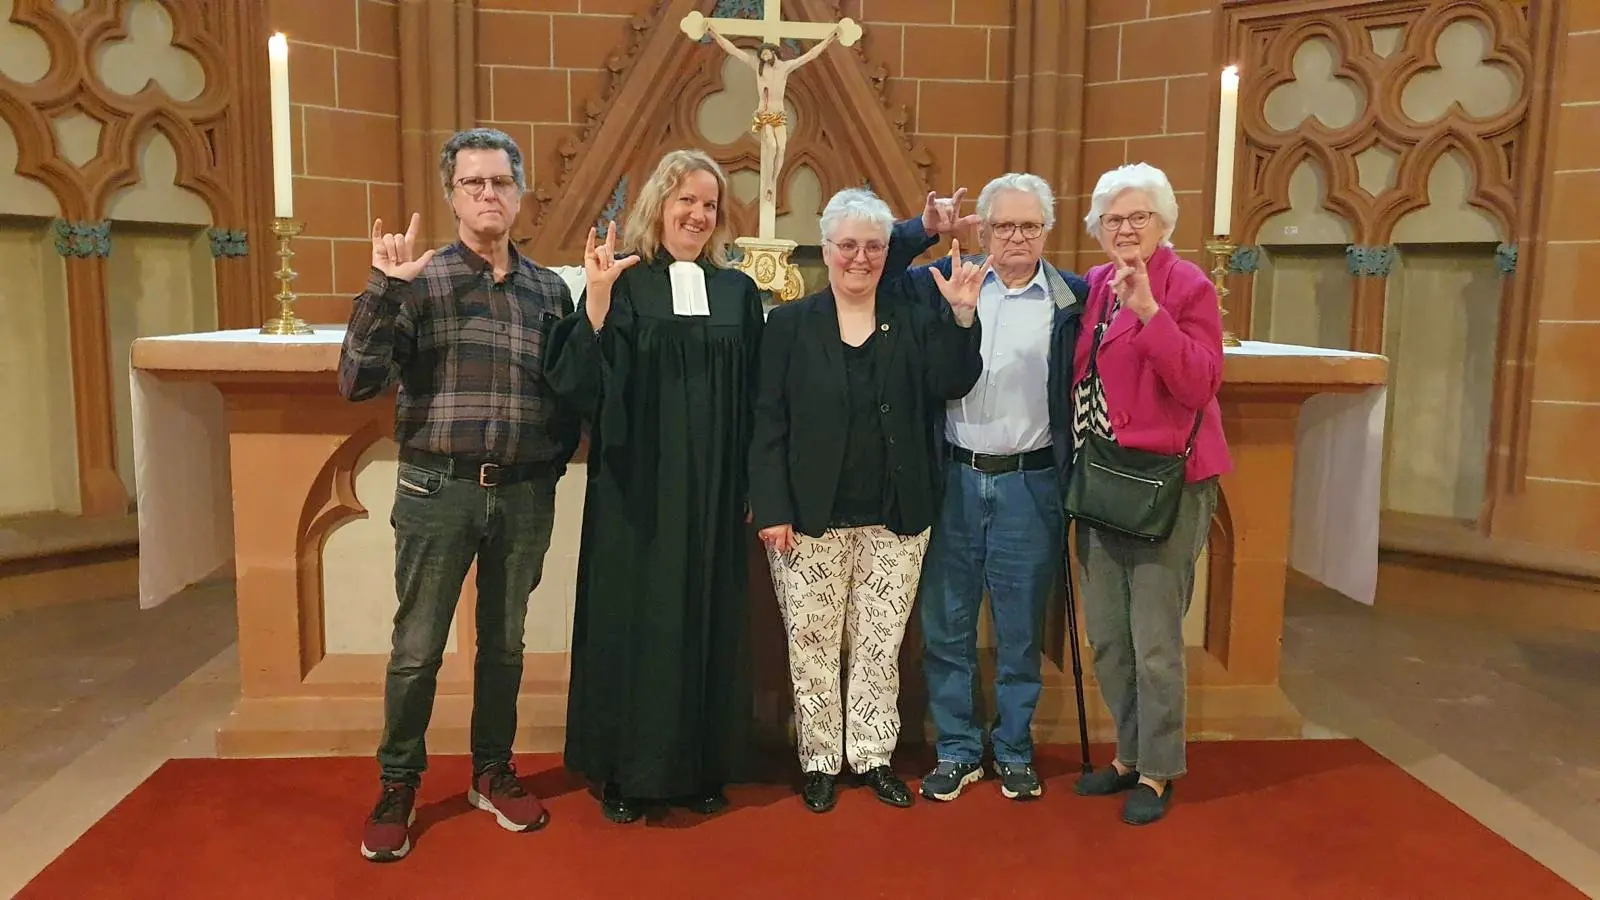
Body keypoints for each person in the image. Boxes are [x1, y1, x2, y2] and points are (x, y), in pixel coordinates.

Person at [338, 128, 578, 861]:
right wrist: (384, 289)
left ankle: (491, 769)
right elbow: (357, 381)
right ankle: (399, 781)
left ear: (519, 193)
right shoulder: (421, 280)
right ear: (451, 196)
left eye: (501, 182)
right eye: (473, 183)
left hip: (522, 493)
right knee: (417, 648)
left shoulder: (547, 289)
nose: (488, 195)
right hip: (438, 487)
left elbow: (568, 394)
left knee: (505, 645)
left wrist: (547, 464)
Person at [544, 148, 764, 824]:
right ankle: (626, 771)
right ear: (658, 207)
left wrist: (756, 483)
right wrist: (599, 304)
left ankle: (700, 765)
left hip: (716, 492)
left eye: (709, 205)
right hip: (638, 490)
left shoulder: (738, 292)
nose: (697, 215)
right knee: (637, 622)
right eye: (685, 201)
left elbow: (759, 399)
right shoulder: (625, 284)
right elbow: (578, 387)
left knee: (705, 618)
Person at [749, 188, 985, 813]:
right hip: (807, 517)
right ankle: (821, 760)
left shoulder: (911, 315)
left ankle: (874, 756)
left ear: (887, 254)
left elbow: (952, 381)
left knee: (881, 643)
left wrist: (962, 317)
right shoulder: (790, 323)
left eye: (874, 247)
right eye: (847, 245)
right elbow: (767, 421)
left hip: (897, 513)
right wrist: (770, 507)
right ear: (823, 251)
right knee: (813, 643)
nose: (860, 258)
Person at [900, 173, 1090, 803]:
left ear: (1046, 231)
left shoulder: (1073, 299)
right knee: (947, 624)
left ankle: (1012, 747)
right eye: (1003, 225)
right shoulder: (944, 287)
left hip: (1029, 484)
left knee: (1018, 629)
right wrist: (922, 233)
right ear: (980, 229)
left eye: (1029, 226)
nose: (1016, 237)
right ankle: (956, 747)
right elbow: (872, 276)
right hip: (953, 475)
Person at [1068, 162, 1231, 826]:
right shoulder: (1095, 284)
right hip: (1103, 480)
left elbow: (1199, 384)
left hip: (1166, 487)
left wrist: (1150, 315)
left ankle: (1160, 768)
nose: (1126, 228)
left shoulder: (1185, 285)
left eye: (1138, 217)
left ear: (1165, 224)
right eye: (1113, 219)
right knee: (1107, 634)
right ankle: (1128, 753)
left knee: (1155, 637)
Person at [704, 23, 839, 214]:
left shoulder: (784, 68)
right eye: (762, 55)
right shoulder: (759, 68)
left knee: (782, 148)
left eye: (767, 54)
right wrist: (715, 34)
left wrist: (829, 39)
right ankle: (767, 184)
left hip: (779, 115)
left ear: (774, 53)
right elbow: (733, 50)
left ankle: (773, 182)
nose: (765, 58)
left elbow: (810, 56)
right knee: (771, 146)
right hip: (765, 115)